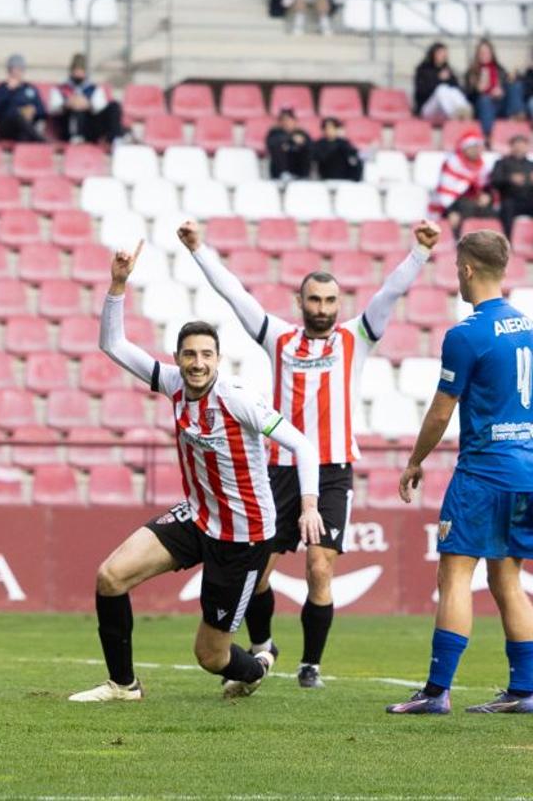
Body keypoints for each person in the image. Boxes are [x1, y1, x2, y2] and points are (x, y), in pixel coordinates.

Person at [181, 218, 439, 688]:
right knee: (258, 575)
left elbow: (388, 294)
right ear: (300, 303)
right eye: (314, 300)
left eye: (330, 301)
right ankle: (263, 646)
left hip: (332, 470)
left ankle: (310, 666)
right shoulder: (277, 336)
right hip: (277, 470)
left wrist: (419, 253)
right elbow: (234, 294)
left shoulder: (354, 338)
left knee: (320, 567)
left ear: (339, 305)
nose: (322, 308)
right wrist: (199, 249)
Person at [68, 242, 324, 704]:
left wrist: (308, 505)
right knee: (110, 577)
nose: (198, 363)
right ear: (179, 358)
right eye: (190, 355)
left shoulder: (237, 399)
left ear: (218, 360)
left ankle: (257, 666)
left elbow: (302, 445)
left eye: (207, 355)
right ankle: (124, 686)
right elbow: (113, 345)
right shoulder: (172, 384)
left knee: (210, 656)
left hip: (242, 538)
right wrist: (118, 285)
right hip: (198, 516)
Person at [387, 230, 533, 715]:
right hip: (525, 471)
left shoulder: (465, 334)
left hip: (483, 474)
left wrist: (414, 461)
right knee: (508, 579)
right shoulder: (528, 327)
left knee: (455, 574)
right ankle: (524, 691)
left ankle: (435, 692)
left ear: (467, 270)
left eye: (456, 270)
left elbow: (440, 410)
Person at [46, 54, 124, 145]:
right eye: (76, 70)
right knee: (76, 109)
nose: (79, 73)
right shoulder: (60, 89)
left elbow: (100, 107)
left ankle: (115, 139)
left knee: (114, 106)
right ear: (71, 71)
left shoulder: (94, 89)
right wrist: (67, 104)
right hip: (67, 126)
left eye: (81, 70)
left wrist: (88, 105)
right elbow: (52, 109)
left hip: (90, 126)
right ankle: (76, 138)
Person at [465, 39, 526, 138]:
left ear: (492, 54)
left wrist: (502, 91)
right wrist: (478, 91)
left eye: (487, 52)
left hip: (501, 105)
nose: (485, 55)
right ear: (477, 55)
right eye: (482, 53)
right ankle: (488, 136)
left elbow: (508, 88)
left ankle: (516, 116)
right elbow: (467, 97)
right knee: (485, 100)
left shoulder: (500, 70)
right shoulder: (471, 72)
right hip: (483, 107)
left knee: (515, 85)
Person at [431, 129, 488, 221]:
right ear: (465, 148)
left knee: (489, 211)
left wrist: (485, 196)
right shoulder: (453, 164)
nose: (477, 150)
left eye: (478, 147)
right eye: (473, 147)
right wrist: (450, 211)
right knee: (467, 207)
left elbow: (484, 186)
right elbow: (445, 193)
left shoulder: (482, 166)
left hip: (473, 202)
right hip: (454, 206)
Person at [0, 54, 47, 143]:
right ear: (9, 71)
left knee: (24, 136)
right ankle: (40, 140)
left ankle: (30, 151)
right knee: (19, 117)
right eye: (13, 69)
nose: (16, 72)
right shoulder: (1, 89)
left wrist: (33, 111)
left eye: (19, 69)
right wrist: (9, 91)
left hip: (26, 128)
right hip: (6, 127)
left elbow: (42, 110)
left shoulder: (30, 89)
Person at [413, 43, 472, 123]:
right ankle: (454, 115)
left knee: (452, 90)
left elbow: (456, 88)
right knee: (441, 89)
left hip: (443, 109)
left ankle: (466, 110)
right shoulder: (423, 69)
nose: (444, 56)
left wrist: (449, 79)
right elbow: (421, 92)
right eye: (441, 53)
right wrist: (438, 79)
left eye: (445, 54)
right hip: (427, 108)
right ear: (433, 54)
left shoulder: (447, 69)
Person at [490, 134, 533, 238]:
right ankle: (508, 241)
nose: (520, 148)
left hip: (529, 199)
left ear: (527, 147)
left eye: (522, 145)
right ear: (511, 147)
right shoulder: (501, 163)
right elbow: (494, 182)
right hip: (510, 199)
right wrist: (510, 179)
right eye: (517, 145)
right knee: (508, 208)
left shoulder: (531, 165)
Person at [266, 108, 312, 180]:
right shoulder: (274, 133)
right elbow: (271, 144)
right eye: (283, 120)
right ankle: (284, 174)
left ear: (294, 121)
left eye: (289, 120)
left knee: (306, 150)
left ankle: (304, 176)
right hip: (280, 171)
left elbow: (310, 147)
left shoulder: (302, 133)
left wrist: (300, 144)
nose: (286, 122)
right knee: (277, 147)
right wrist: (291, 139)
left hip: (298, 168)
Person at [313, 117, 362, 181]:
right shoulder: (319, 144)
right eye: (327, 128)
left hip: (343, 178)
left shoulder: (344, 143)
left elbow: (353, 157)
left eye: (332, 128)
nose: (329, 130)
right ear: (323, 129)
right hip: (325, 178)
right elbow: (316, 158)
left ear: (336, 129)